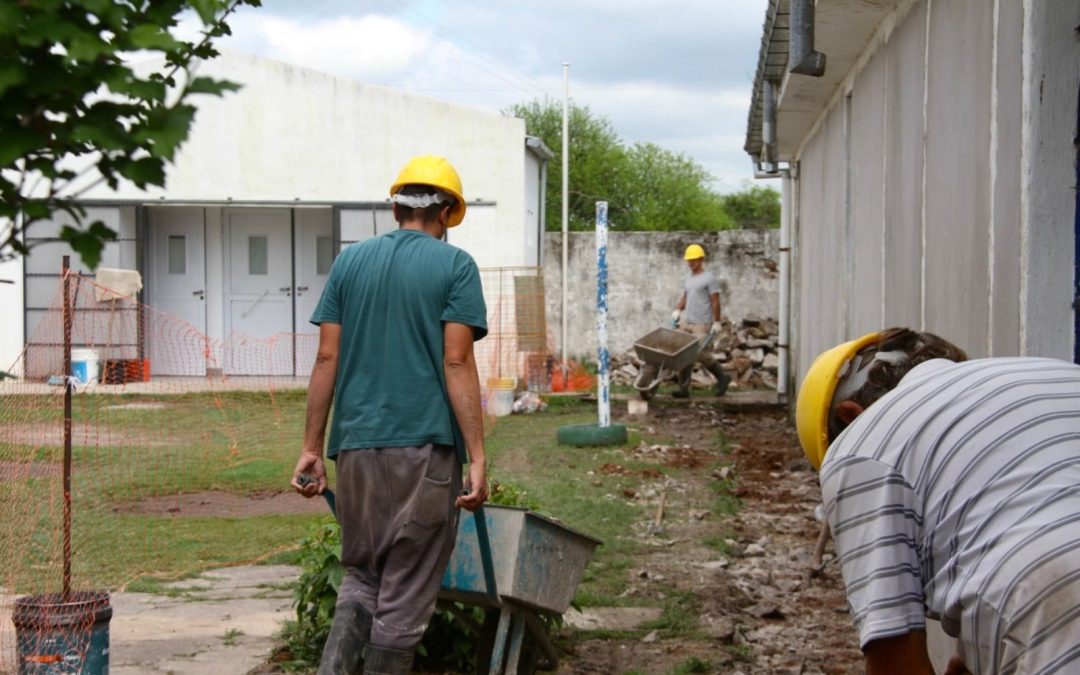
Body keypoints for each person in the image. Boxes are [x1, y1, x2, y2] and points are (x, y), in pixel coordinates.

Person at [291, 155, 489, 675]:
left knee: (362, 577)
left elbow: (327, 358)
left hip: (355, 448)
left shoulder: (349, 264)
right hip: (423, 450)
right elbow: (456, 360)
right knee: (404, 593)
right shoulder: (456, 266)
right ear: (445, 213)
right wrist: (477, 456)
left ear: (396, 208)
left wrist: (311, 449)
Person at [795, 327, 1080, 674]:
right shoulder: (1048, 371)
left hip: (1054, 598)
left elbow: (895, 661)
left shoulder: (859, 446)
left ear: (850, 415)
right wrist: (973, 656)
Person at [669, 243, 730, 398]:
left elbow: (715, 301)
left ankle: (723, 378)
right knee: (684, 353)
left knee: (700, 353)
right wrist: (677, 310)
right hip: (688, 321)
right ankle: (683, 389)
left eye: (694, 259)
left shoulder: (709, 278)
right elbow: (685, 297)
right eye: (689, 260)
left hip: (702, 324)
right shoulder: (689, 279)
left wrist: (716, 322)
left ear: (701, 259)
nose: (691, 262)